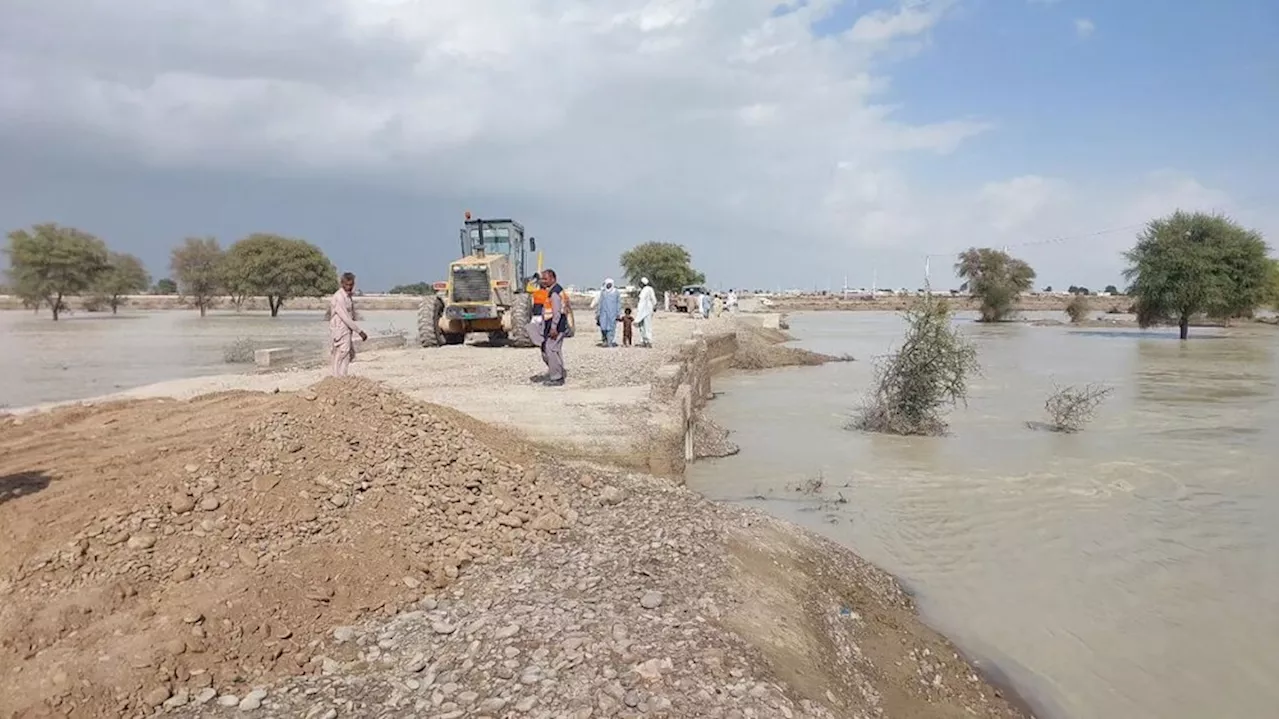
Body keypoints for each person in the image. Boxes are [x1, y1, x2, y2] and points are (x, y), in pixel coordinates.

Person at [329, 272, 367, 377]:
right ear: (342, 283)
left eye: (351, 285)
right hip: (340, 328)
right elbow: (345, 317)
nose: (349, 287)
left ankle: (343, 376)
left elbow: (351, 315)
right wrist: (359, 331)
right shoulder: (339, 297)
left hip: (346, 329)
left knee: (347, 354)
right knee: (341, 352)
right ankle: (337, 377)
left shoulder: (348, 297)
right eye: (347, 284)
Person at [539, 268, 569, 386]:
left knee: (550, 350)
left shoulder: (555, 293)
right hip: (555, 325)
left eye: (545, 279)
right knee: (555, 350)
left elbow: (556, 312)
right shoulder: (555, 291)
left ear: (553, 279)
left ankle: (556, 377)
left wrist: (553, 328)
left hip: (556, 327)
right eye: (542, 279)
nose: (543, 281)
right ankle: (558, 373)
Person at [597, 278, 621, 347]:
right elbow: (600, 303)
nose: (608, 285)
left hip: (613, 313)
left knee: (611, 328)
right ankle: (604, 340)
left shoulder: (616, 292)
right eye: (607, 284)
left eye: (610, 284)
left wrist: (618, 313)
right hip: (603, 313)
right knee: (603, 328)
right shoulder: (603, 292)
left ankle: (610, 341)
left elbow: (619, 303)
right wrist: (598, 313)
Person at [635, 277, 656, 348]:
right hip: (647, 309)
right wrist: (654, 306)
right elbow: (654, 299)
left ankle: (647, 341)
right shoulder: (650, 289)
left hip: (645, 310)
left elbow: (642, 300)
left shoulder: (645, 290)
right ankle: (645, 341)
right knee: (644, 326)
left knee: (645, 326)